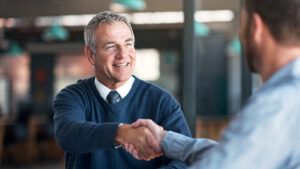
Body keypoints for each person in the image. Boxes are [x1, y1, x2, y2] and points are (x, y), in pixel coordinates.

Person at [124, 0, 300, 168]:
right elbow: (233, 154)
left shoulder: (276, 104)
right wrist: (164, 140)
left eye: (242, 24)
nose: (240, 36)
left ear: (256, 27)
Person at [53, 11, 191, 169]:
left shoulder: (161, 101)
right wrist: (123, 133)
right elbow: (69, 135)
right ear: (91, 55)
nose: (123, 54)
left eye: (128, 44)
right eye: (111, 46)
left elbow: (184, 159)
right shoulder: (72, 96)